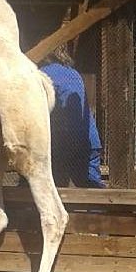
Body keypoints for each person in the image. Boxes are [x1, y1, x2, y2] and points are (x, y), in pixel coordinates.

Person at [39, 47, 107, 188]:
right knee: (91, 187)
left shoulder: (44, 74)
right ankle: (103, 208)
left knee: (53, 186)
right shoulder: (73, 73)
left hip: (64, 141)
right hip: (90, 139)